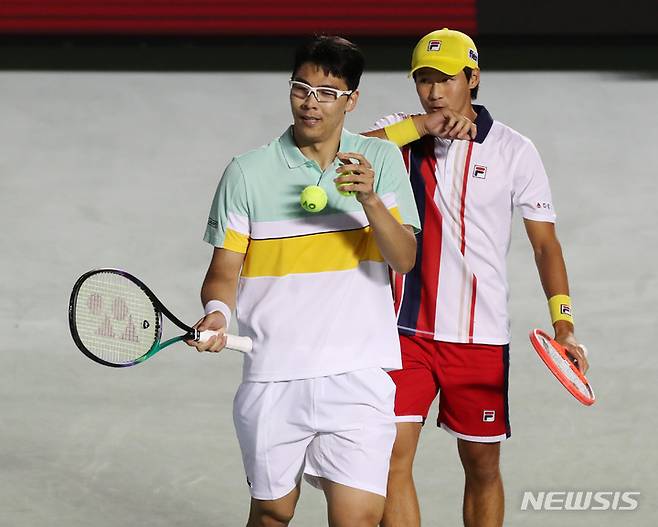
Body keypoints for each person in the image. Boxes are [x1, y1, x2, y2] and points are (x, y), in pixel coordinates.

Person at [189, 36, 421, 527]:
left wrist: (370, 200)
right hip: (274, 375)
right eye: (301, 88)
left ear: (351, 100)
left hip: (357, 375)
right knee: (273, 514)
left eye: (327, 93)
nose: (311, 103)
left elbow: (403, 259)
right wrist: (217, 314)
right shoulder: (247, 173)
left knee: (358, 519)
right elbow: (223, 272)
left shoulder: (379, 161)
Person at [364, 28, 590, 527]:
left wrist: (564, 324)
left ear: (473, 78)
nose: (433, 92)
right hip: (403, 332)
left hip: (479, 338)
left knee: (482, 466)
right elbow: (348, 151)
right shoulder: (398, 135)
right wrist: (422, 126)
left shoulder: (514, 150)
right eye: (423, 80)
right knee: (389, 458)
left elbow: (545, 244)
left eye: (445, 79)